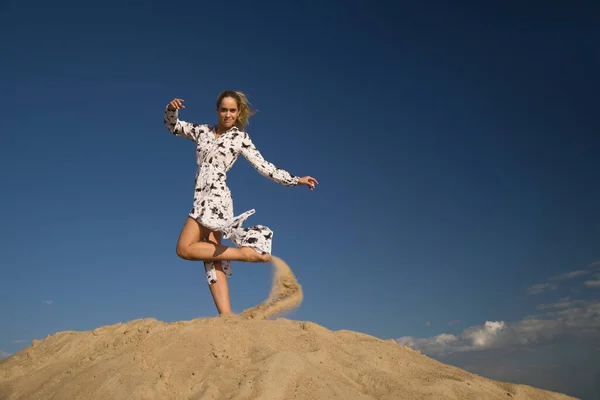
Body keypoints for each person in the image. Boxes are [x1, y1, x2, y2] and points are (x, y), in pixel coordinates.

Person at [163, 90, 318, 316]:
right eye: (224, 110)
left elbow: (264, 167)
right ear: (217, 110)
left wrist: (296, 180)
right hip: (200, 197)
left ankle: (246, 254)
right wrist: (171, 108)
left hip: (217, 199)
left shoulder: (240, 138)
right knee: (211, 259)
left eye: (232, 111)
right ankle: (226, 316)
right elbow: (174, 126)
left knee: (184, 248)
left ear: (238, 113)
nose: (227, 115)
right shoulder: (203, 131)